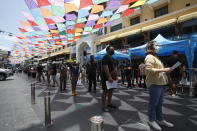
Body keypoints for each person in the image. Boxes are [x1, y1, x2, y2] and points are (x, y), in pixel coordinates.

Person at [145, 41, 174, 130]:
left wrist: (165, 70)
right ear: (151, 47)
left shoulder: (155, 57)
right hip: (155, 83)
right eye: (156, 45)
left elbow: (159, 69)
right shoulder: (149, 57)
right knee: (153, 103)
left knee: (159, 103)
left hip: (160, 83)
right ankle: (151, 120)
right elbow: (149, 69)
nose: (158, 46)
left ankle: (160, 119)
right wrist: (164, 69)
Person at [101, 46, 117, 112]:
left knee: (111, 91)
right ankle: (103, 106)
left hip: (112, 77)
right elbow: (105, 67)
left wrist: (115, 77)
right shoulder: (106, 57)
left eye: (113, 49)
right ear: (107, 50)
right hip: (107, 78)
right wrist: (109, 76)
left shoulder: (112, 58)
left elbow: (113, 68)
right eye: (112, 49)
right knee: (105, 91)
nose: (113, 50)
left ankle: (109, 103)